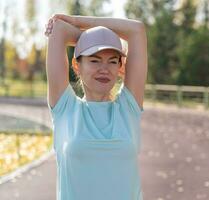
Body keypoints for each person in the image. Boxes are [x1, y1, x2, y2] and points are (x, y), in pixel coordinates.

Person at [44, 14, 147, 200]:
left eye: (113, 61)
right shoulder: (65, 108)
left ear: (120, 68)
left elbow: (137, 30)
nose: (104, 69)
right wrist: (91, 37)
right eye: (94, 59)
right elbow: (58, 29)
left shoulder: (128, 108)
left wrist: (80, 24)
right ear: (77, 65)